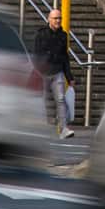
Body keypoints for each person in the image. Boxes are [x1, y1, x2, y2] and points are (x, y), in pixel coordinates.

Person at [33, 8, 75, 139]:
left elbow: (65, 57)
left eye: (59, 18)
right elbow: (36, 54)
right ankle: (41, 128)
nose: (58, 21)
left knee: (61, 100)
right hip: (43, 72)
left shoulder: (63, 35)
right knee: (42, 101)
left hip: (57, 72)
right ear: (49, 19)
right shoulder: (41, 34)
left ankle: (63, 129)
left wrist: (69, 77)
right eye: (55, 18)